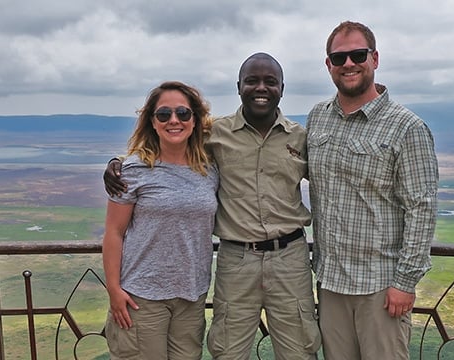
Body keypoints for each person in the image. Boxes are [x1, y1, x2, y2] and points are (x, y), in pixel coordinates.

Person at [104, 53, 321, 360]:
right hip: (236, 258)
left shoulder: (300, 138)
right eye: (252, 81)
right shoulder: (215, 133)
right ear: (239, 87)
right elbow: (168, 142)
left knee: (300, 349)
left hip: (290, 257)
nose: (261, 87)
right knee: (228, 351)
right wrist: (118, 163)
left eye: (270, 82)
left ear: (282, 89)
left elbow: (334, 174)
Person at [307, 21, 439, 360]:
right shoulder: (317, 118)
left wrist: (405, 282)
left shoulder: (407, 127)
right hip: (330, 281)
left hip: (380, 288)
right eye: (339, 58)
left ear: (375, 58)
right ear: (328, 65)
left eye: (357, 54)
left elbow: (421, 209)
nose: (348, 63)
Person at [102, 81, 219, 360]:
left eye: (183, 113)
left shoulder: (209, 168)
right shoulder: (133, 170)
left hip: (192, 296)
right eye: (164, 114)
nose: (174, 120)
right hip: (142, 298)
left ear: (195, 120)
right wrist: (114, 290)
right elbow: (113, 232)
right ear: (152, 122)